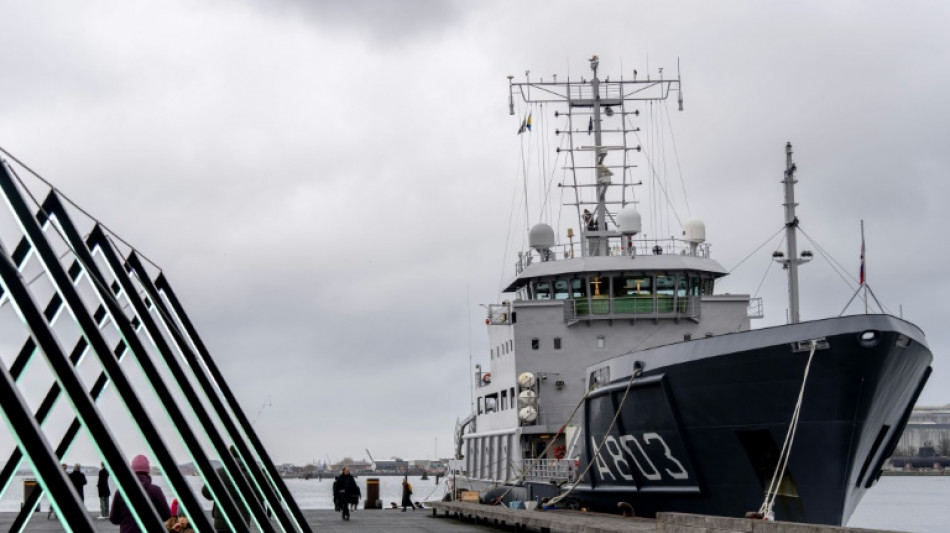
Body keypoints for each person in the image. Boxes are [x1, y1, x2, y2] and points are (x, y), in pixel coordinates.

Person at [201, 446, 262, 532]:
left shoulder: (219, 473)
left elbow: (206, 492)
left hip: (222, 521)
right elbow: (259, 497)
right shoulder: (250, 475)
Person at [110, 455, 171, 533]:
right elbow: (166, 515)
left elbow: (114, 519)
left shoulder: (121, 492)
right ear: (148, 471)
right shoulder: (155, 490)